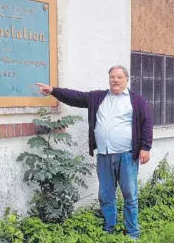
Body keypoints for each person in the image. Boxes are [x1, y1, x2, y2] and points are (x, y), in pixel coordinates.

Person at [35, 65, 153, 240]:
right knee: (106, 195)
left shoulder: (136, 100)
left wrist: (145, 147)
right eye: (112, 77)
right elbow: (75, 97)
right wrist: (53, 91)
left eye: (119, 77)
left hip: (126, 155)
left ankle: (132, 233)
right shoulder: (98, 97)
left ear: (127, 80)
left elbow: (147, 123)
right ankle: (109, 229)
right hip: (104, 155)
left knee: (130, 195)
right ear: (109, 79)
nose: (115, 80)